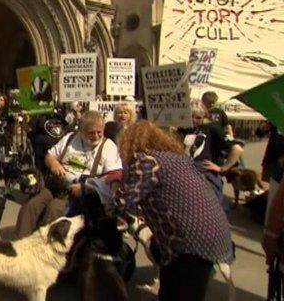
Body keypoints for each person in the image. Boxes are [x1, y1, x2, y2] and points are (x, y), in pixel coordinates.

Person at [118, 121, 234, 301]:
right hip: (210, 232)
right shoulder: (176, 157)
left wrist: (104, 187)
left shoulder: (147, 160)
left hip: (190, 240)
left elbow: (123, 200)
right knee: (175, 287)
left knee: (181, 291)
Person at [14, 111, 123, 239]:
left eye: (99, 132)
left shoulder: (108, 146)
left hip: (81, 193)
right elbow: (49, 156)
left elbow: (115, 174)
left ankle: (44, 248)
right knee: (31, 206)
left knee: (54, 209)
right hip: (57, 184)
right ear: (81, 131)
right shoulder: (71, 138)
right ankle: (20, 245)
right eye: (91, 132)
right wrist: (54, 163)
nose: (96, 136)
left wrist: (86, 187)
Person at [178, 100, 243, 203]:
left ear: (204, 117)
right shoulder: (184, 128)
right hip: (186, 175)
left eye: (198, 117)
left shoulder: (211, 128)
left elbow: (237, 149)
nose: (194, 120)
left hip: (205, 176)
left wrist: (222, 168)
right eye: (191, 116)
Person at [255, 121, 284, 216]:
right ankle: (269, 216)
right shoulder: (275, 117)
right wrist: (263, 128)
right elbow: (259, 134)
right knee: (273, 188)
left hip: (281, 160)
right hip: (272, 159)